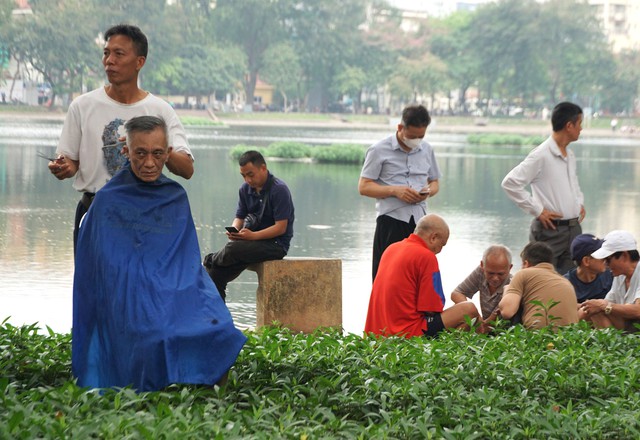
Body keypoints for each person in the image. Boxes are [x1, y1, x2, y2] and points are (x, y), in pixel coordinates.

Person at [72, 116, 246, 392]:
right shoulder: (107, 200)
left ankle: (207, 395)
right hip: (124, 295)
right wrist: (141, 286)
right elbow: (100, 267)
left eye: (157, 154)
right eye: (140, 153)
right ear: (125, 151)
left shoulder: (175, 196)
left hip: (174, 291)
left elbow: (186, 260)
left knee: (221, 329)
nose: (149, 163)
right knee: (153, 330)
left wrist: (167, 290)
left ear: (168, 153)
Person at [48, 24, 194, 249]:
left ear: (139, 62)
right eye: (106, 53)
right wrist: (64, 167)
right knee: (95, 281)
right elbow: (70, 162)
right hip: (95, 211)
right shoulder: (82, 106)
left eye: (119, 54)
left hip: (146, 214)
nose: (109, 60)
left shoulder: (160, 110)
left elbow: (186, 169)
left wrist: (157, 149)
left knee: (145, 283)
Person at [364, 214, 484, 338]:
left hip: (377, 333)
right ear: (433, 237)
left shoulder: (391, 248)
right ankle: (474, 343)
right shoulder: (426, 256)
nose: (440, 251)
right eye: (441, 245)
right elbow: (432, 309)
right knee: (469, 310)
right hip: (405, 332)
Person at [359, 104, 442, 281]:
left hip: (421, 222)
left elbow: (435, 182)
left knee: (419, 276)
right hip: (391, 220)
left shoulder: (427, 149)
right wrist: (394, 191)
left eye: (421, 136)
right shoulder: (378, 150)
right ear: (400, 128)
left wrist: (428, 191)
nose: (416, 141)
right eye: (412, 136)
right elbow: (364, 187)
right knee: (386, 276)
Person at [501, 102, 585, 274]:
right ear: (569, 126)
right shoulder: (541, 155)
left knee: (569, 284)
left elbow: (573, 184)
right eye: (579, 124)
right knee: (540, 280)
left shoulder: (570, 154)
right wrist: (538, 210)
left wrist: (579, 203)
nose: (581, 129)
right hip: (550, 231)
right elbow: (510, 183)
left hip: (573, 230)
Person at [204, 150, 294, 301]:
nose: (247, 180)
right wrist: (235, 230)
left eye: (250, 175)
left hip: (275, 245)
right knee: (214, 275)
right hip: (249, 245)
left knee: (231, 250)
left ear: (263, 168)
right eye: (243, 176)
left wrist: (253, 236)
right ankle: (218, 321)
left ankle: (210, 259)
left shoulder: (279, 190)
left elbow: (281, 227)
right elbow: (239, 216)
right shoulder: (244, 190)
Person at [498, 241, 578, 330]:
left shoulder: (524, 273)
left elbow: (507, 312)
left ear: (526, 263)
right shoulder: (566, 282)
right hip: (567, 337)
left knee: (512, 301)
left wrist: (507, 289)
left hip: (537, 336)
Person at [579, 230, 640, 332]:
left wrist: (604, 306)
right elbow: (607, 302)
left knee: (600, 309)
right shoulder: (619, 275)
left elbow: (638, 310)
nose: (606, 265)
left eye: (608, 260)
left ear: (624, 256)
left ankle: (612, 345)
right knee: (593, 310)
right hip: (628, 323)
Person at [451, 245, 513, 319]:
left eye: (500, 274)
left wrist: (480, 323)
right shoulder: (480, 272)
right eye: (490, 273)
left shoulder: (512, 283)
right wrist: (472, 313)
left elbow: (497, 316)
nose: (495, 278)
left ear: (510, 268)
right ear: (482, 265)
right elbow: (457, 293)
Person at [563, 233, 613, 303]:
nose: (606, 258)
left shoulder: (610, 276)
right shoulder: (566, 284)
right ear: (586, 261)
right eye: (601, 254)